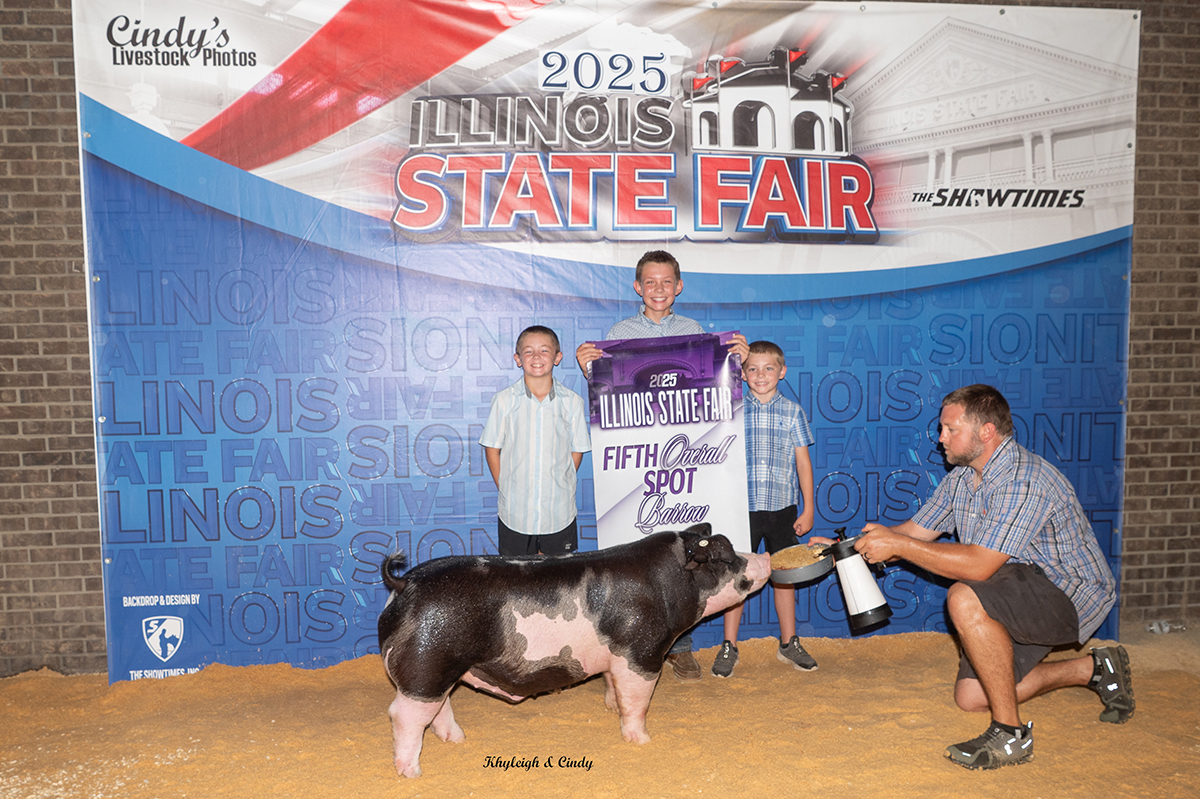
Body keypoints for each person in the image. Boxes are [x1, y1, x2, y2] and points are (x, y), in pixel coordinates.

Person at [847, 384, 1132, 770]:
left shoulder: (1026, 480)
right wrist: (847, 549)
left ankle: (1011, 736)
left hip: (1069, 593)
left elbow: (980, 566)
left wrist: (898, 547)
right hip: (1019, 584)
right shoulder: (963, 478)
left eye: (950, 429)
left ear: (986, 432)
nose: (940, 438)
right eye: (941, 429)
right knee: (970, 697)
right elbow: (913, 533)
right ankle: (1094, 668)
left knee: (965, 595)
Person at [576, 250, 749, 681]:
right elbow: (610, 389)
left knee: (685, 553)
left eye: (666, 281)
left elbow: (711, 387)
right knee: (638, 555)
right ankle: (626, 644)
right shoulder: (620, 333)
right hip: (639, 461)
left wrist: (736, 361)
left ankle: (680, 646)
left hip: (683, 457)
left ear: (679, 286)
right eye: (650, 282)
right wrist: (587, 370)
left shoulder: (694, 332)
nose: (658, 289)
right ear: (638, 287)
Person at [711, 340, 818, 678]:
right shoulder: (732, 408)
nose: (760, 375)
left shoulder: (793, 412)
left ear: (782, 372)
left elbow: (803, 462)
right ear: (741, 374)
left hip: (782, 509)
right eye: (752, 369)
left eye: (769, 368)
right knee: (736, 577)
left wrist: (809, 508)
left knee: (783, 576)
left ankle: (789, 642)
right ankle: (729, 645)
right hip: (740, 509)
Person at [481, 325, 591, 556]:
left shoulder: (572, 402)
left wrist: (560, 481)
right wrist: (507, 488)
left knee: (559, 581)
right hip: (515, 514)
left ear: (557, 357)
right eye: (528, 351)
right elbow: (492, 448)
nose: (537, 357)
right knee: (518, 581)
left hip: (558, 512)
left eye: (544, 350)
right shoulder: (504, 401)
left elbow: (577, 450)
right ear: (518, 359)